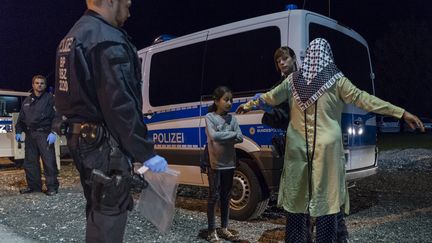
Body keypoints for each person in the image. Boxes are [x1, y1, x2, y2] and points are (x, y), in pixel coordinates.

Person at [237, 38, 424, 243]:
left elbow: (268, 98)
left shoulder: (292, 81)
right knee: (327, 201)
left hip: (297, 150)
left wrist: (248, 105)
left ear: (308, 55)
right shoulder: (336, 80)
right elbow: (365, 99)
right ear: (327, 55)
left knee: (297, 200)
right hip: (327, 151)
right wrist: (401, 112)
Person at [53, 0, 168, 242]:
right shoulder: (106, 39)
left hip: (83, 141)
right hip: (104, 146)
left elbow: (65, 100)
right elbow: (120, 104)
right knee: (110, 215)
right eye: (126, 3)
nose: (129, 10)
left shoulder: (74, 35)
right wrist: (145, 151)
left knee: (97, 208)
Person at [205, 86, 243, 243]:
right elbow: (213, 136)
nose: (230, 103)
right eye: (226, 100)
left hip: (229, 163)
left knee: (226, 197)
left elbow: (240, 138)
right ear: (216, 101)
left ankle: (224, 228)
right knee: (213, 196)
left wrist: (226, 135)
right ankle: (211, 230)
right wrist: (232, 134)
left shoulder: (233, 119)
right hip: (215, 164)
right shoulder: (210, 117)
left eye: (231, 100)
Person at [15, 74, 59, 196]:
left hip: (44, 134)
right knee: (30, 163)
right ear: (33, 85)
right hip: (30, 135)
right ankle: (34, 187)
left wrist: (54, 131)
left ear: (45, 85)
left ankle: (52, 187)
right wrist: (18, 131)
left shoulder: (50, 99)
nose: (39, 85)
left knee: (48, 162)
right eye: (37, 83)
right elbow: (21, 120)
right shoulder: (27, 101)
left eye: (42, 83)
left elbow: (58, 116)